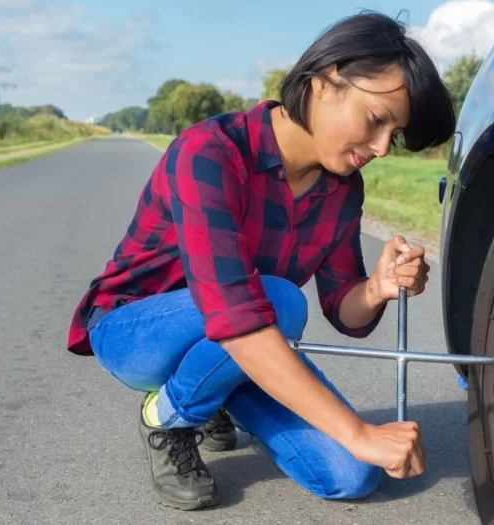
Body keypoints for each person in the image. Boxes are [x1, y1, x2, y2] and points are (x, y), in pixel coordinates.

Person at [66, 11, 456, 510]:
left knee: (353, 474)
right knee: (280, 301)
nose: (381, 148)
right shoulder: (210, 152)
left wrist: (377, 286)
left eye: (393, 135)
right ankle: (167, 415)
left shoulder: (343, 189)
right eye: (377, 121)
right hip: (136, 332)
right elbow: (237, 316)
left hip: (240, 339)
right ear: (325, 80)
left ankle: (212, 392)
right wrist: (359, 430)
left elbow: (344, 312)